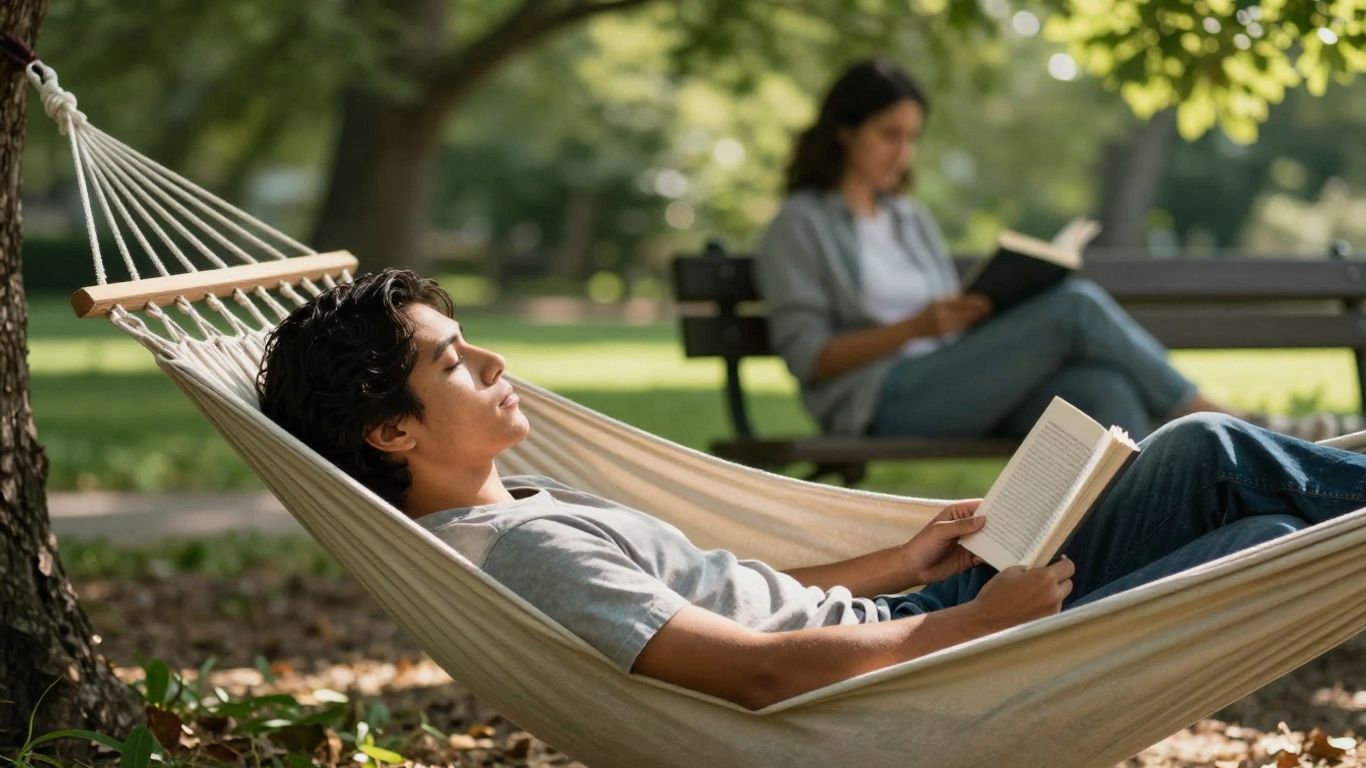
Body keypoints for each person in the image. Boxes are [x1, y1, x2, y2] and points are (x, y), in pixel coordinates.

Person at [256, 269, 1366, 711]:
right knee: (1256, 524)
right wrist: (971, 624)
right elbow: (763, 669)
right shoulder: (527, 559)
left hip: (910, 619)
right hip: (930, 665)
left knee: (1209, 465)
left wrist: (902, 566)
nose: (494, 364)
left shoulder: (523, 504)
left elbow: (736, 597)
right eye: (454, 362)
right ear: (390, 431)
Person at [756, 58, 1348, 442]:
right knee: (1075, 306)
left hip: (962, 379)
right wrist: (915, 326)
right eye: (889, 135)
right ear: (843, 131)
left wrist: (976, 311)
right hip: (880, 403)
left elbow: (945, 317)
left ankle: (1142, 557)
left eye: (912, 137)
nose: (903, 153)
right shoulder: (798, 226)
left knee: (1102, 392)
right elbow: (809, 357)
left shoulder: (908, 218)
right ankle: (1231, 425)